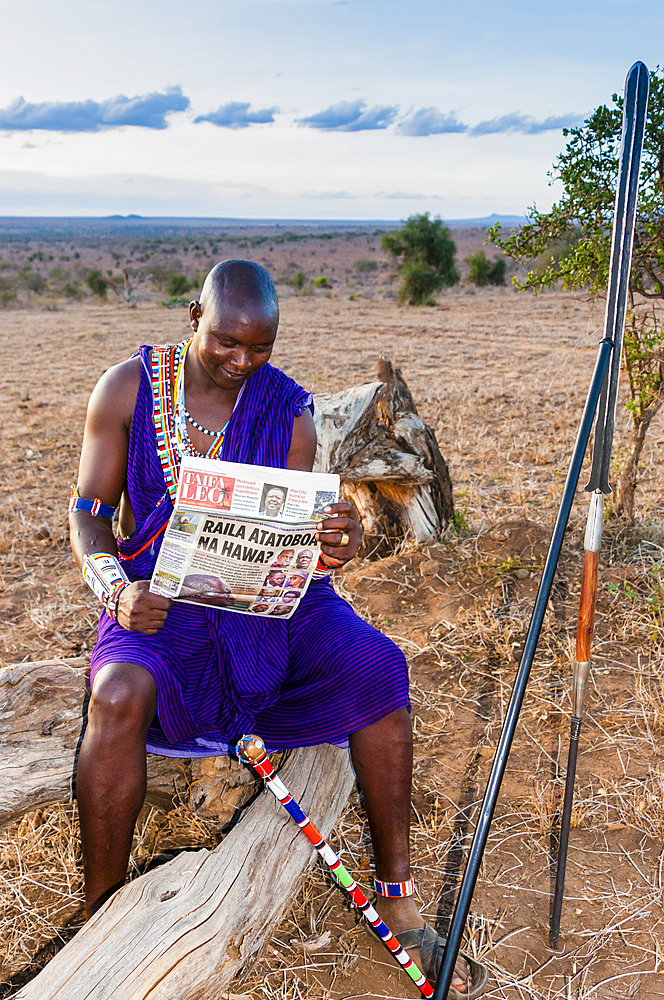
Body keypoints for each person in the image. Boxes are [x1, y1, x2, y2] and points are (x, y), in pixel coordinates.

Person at [69, 259, 486, 996]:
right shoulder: (126, 388)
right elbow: (90, 515)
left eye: (258, 348)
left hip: (267, 601)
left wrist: (338, 540)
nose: (241, 362)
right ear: (193, 318)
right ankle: (100, 916)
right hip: (157, 599)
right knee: (116, 695)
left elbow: (297, 543)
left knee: (379, 666)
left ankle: (396, 892)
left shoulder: (287, 409)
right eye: (227, 342)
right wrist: (115, 588)